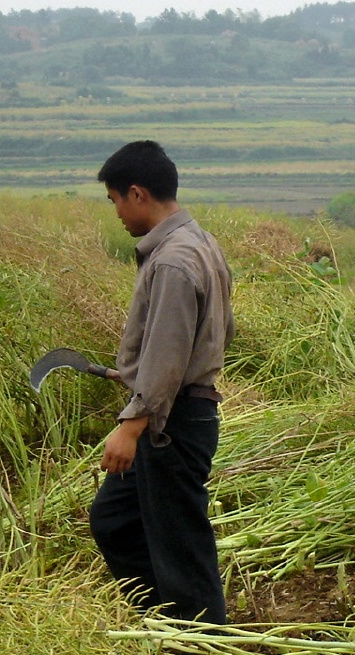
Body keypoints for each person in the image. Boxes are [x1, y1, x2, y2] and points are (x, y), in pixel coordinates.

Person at [89, 140, 234, 627]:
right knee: (114, 522)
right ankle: (172, 628)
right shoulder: (199, 243)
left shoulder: (173, 259)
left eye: (114, 201)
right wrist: (134, 374)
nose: (117, 215)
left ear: (136, 193)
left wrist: (132, 425)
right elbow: (210, 335)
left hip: (171, 424)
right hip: (175, 411)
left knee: (182, 551)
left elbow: (169, 355)